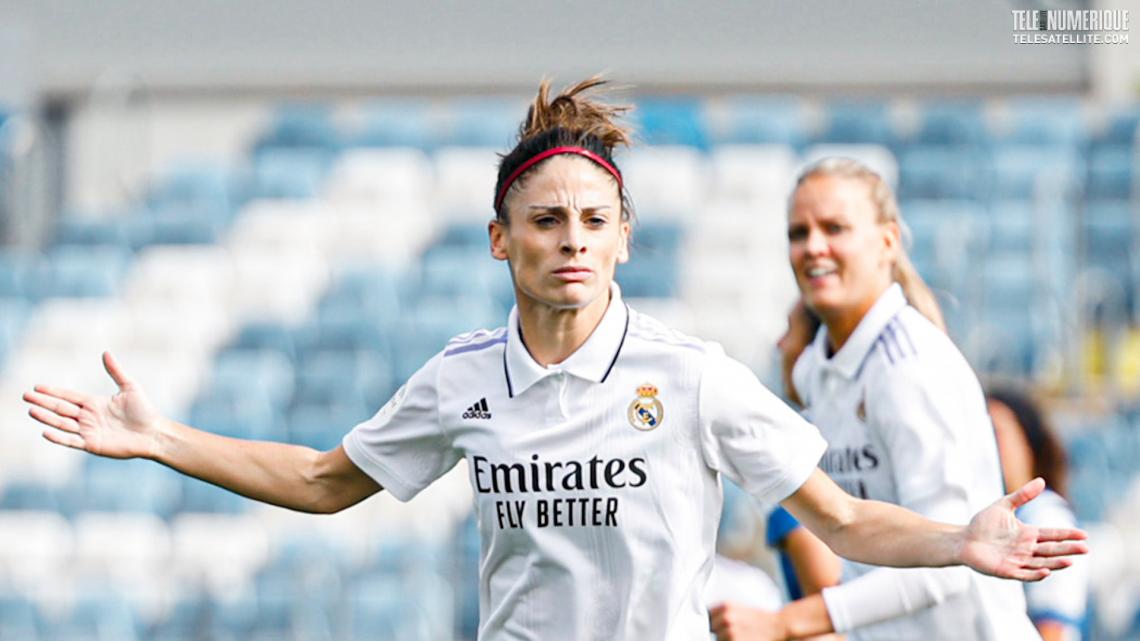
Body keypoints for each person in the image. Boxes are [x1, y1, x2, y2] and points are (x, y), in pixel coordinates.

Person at [23, 80, 1085, 641]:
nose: (572, 239)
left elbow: (843, 519)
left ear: (624, 237)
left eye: (593, 220)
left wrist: (960, 539)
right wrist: (162, 438)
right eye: (545, 220)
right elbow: (319, 478)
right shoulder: (461, 376)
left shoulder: (691, 376)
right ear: (501, 239)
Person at [710, 158, 1058, 641]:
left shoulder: (909, 366)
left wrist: (785, 623)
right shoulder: (816, 370)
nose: (813, 247)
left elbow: (947, 567)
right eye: (798, 233)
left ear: (888, 241)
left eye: (834, 228)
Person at [987, 385, 1089, 641]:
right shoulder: (984, 517)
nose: (986, 444)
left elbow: (1053, 629)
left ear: (1028, 443)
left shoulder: (1045, 517)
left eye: (996, 433)